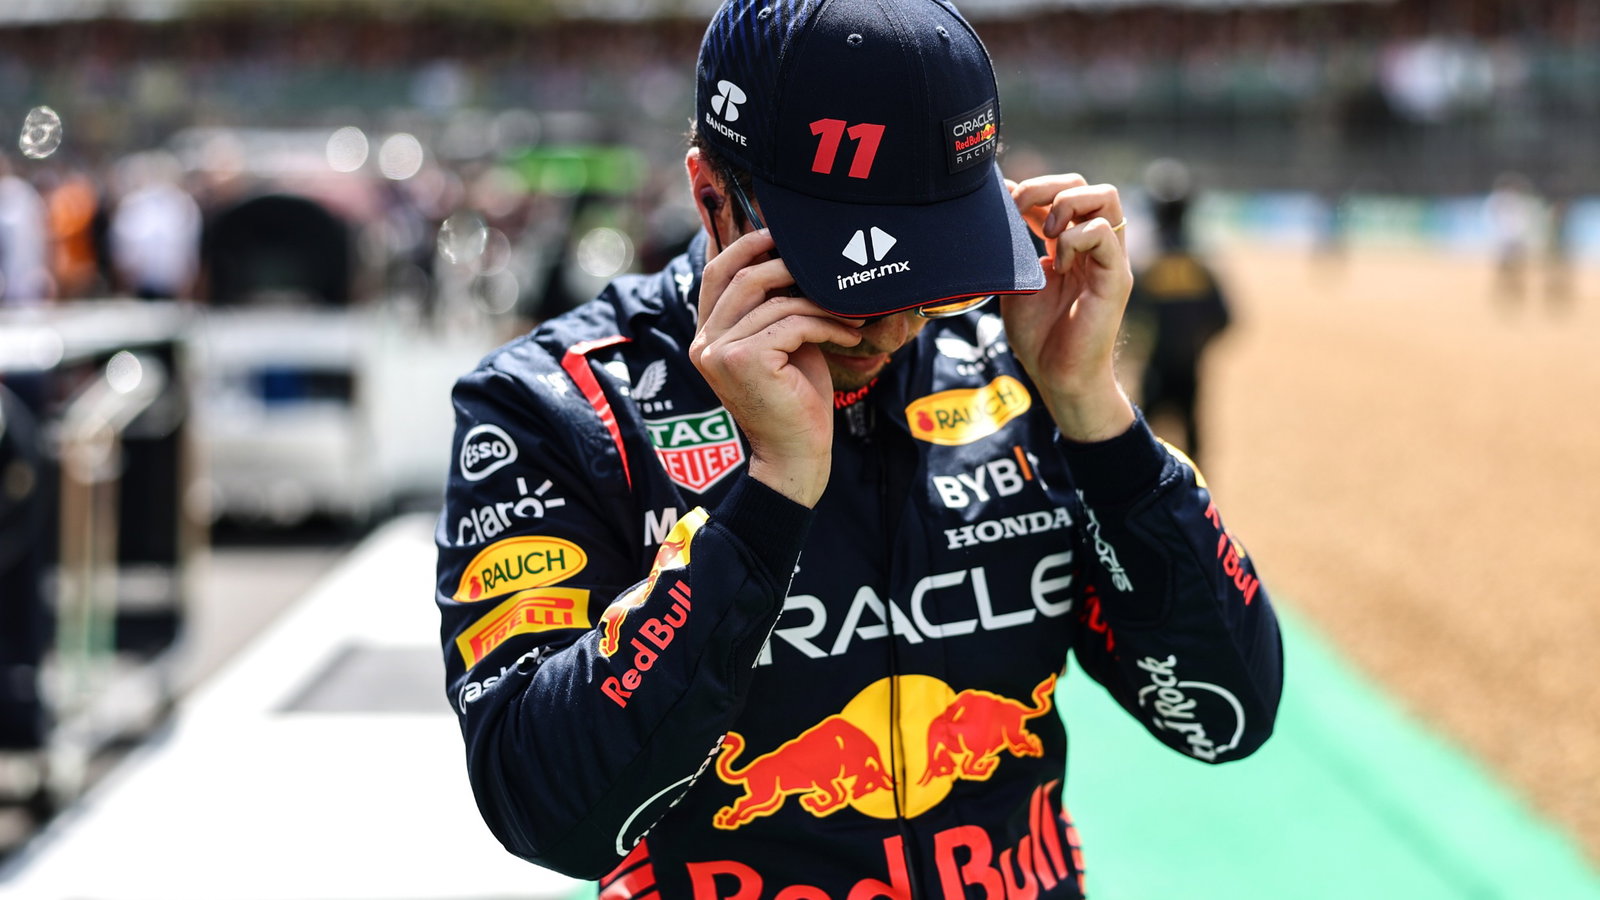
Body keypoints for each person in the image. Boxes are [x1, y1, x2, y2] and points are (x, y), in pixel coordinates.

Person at [434, 1, 1283, 896]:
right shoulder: (551, 405)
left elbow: (1224, 718)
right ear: (711, 195)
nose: (890, 323)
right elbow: (543, 808)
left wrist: (1092, 410)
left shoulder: (1018, 367)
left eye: (934, 268)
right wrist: (767, 500)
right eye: (845, 271)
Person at [1126, 158, 1232, 466]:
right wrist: (1195, 345)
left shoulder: (1146, 266)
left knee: (1140, 444)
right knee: (1193, 441)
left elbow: (1127, 316)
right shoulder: (1200, 265)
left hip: (1155, 367)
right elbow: (1224, 318)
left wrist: (1140, 346)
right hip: (1190, 367)